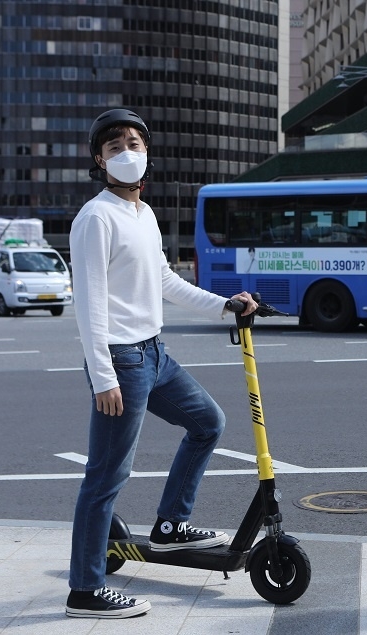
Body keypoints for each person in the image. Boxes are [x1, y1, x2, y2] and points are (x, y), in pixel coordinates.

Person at [65, 109, 259, 618]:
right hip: (122, 361)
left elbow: (165, 281)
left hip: (155, 353)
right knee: (105, 477)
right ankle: (84, 590)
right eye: (114, 147)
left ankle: (171, 525)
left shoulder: (142, 214)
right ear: (99, 160)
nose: (126, 152)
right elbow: (89, 303)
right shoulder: (96, 217)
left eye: (134, 143)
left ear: (148, 152)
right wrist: (103, 374)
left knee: (207, 422)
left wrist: (224, 305)